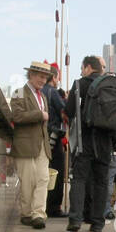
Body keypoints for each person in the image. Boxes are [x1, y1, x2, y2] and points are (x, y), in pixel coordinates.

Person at [63, 56, 116, 232]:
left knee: (79, 179)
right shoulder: (111, 85)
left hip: (84, 139)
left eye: (82, 68)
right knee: (101, 181)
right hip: (105, 141)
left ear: (87, 67)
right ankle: (97, 223)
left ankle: (75, 220)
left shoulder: (80, 84)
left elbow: (70, 110)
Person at [7, 61, 54, 228]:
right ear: (31, 75)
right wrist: (40, 114)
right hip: (25, 145)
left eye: (46, 77)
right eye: (41, 76)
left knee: (43, 178)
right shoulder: (19, 93)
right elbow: (17, 116)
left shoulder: (43, 97)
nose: (43, 80)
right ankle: (26, 213)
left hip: (42, 145)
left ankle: (38, 214)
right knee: (27, 181)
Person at [44, 64, 68, 217]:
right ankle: (54, 207)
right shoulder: (53, 92)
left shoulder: (40, 92)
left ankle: (43, 204)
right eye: (58, 77)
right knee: (57, 172)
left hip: (42, 137)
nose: (59, 80)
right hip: (54, 137)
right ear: (54, 77)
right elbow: (64, 112)